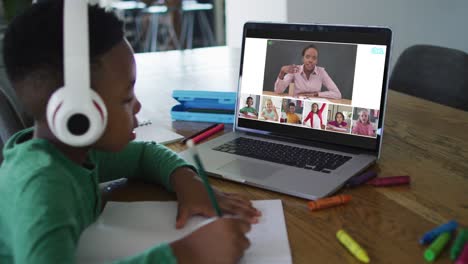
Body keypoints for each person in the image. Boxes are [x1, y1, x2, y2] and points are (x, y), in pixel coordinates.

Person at [0, 2, 260, 264]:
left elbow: (144, 155)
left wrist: (188, 182)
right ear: (78, 115)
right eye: (126, 98)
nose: (137, 105)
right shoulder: (42, 189)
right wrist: (186, 254)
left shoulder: (73, 153)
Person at [274, 44, 341, 99]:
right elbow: (278, 91)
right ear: (303, 59)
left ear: (317, 61)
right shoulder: (295, 69)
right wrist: (282, 72)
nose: (310, 60)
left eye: (314, 58)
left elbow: (337, 94)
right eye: (307, 57)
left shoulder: (321, 72)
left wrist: (315, 94)